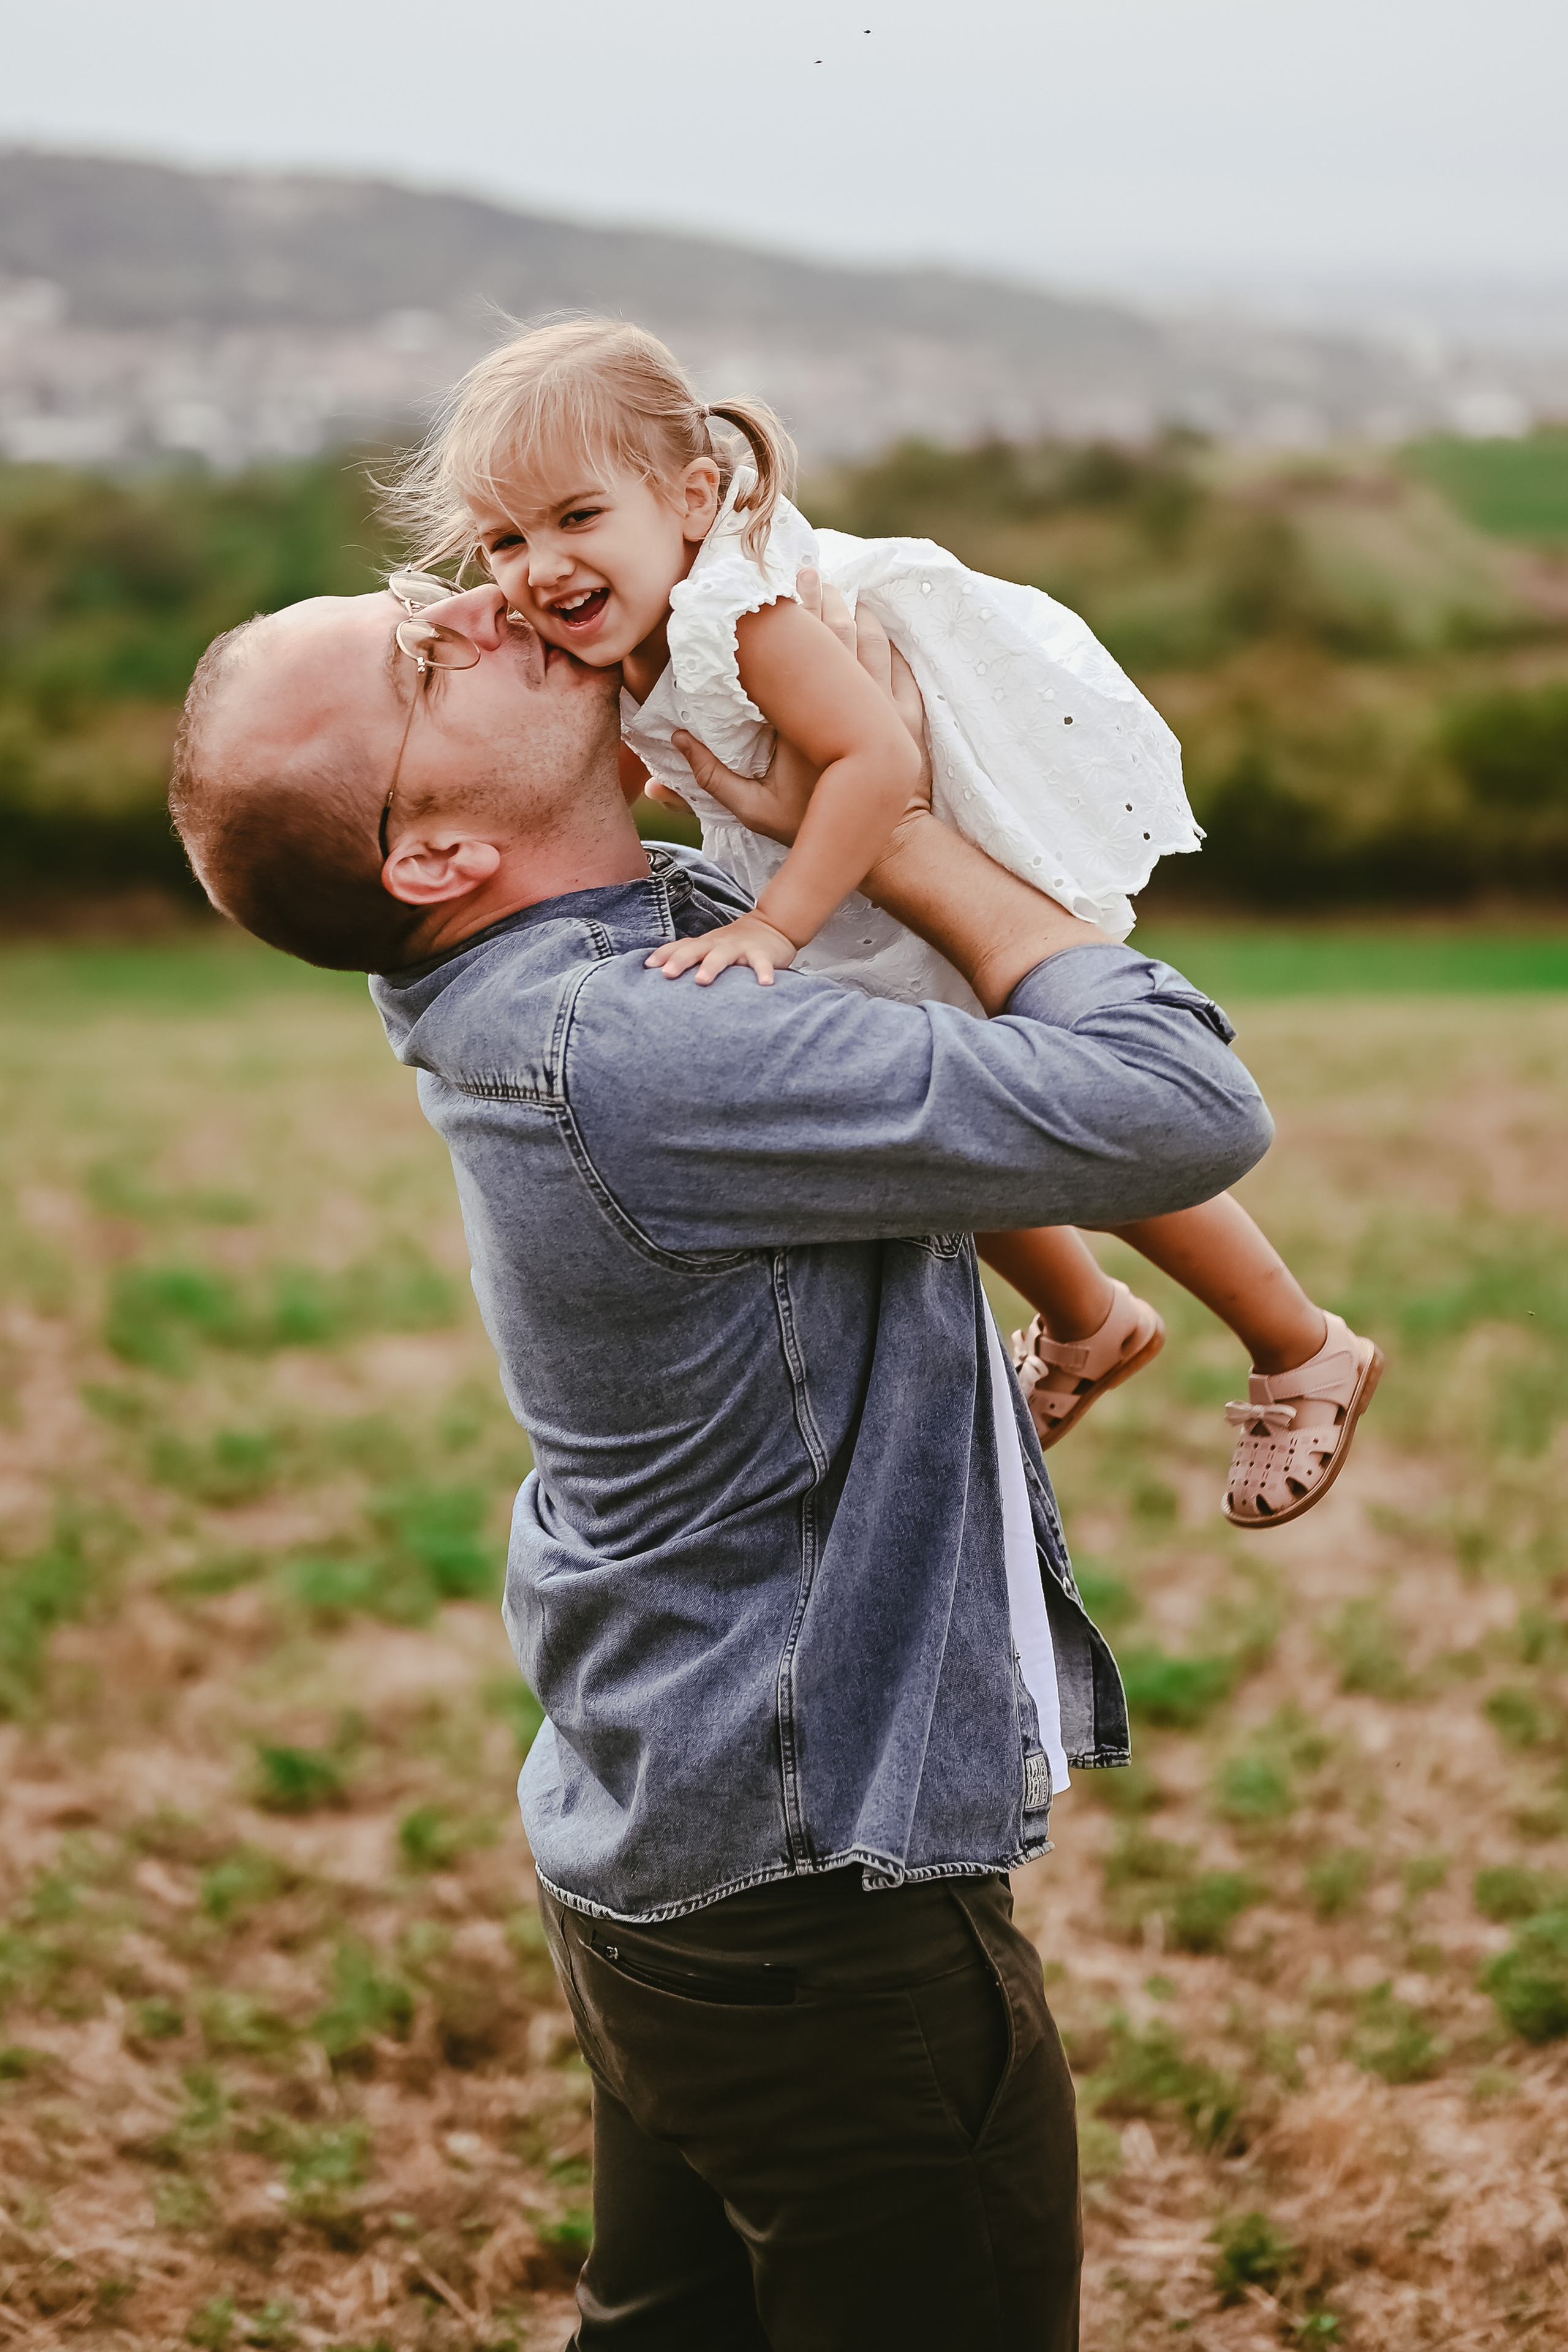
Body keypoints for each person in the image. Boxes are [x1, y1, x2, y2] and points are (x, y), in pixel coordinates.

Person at [170, 565, 1271, 2348]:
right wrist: (899, 835)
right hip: (816, 1903)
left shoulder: (583, 968)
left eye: (425, 591)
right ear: (436, 855)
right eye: (422, 659)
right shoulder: (638, 1044)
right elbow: (1187, 1106)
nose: (481, 602)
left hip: (668, 1847)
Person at [382, 318, 1382, 1529]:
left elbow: (876, 761)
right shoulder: (623, 631)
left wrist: (773, 927)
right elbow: (674, 756)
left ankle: (1300, 1343)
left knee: (1062, 1128)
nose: (540, 567)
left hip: (867, 875)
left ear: (690, 499)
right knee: (933, 1144)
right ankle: (1090, 1320)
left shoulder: (740, 616)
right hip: (825, 885)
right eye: (505, 540)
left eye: (576, 517)